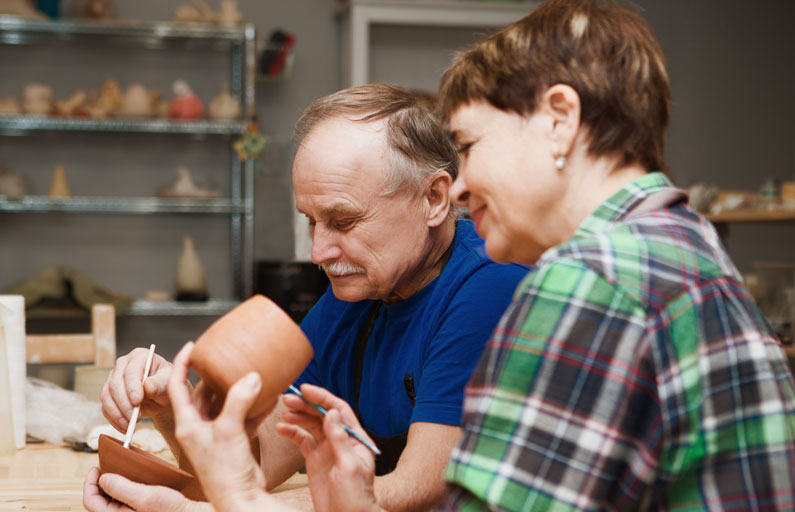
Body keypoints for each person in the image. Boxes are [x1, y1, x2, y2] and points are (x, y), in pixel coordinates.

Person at [162, 0, 795, 510]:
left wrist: (239, 500)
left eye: (469, 144)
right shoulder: (683, 243)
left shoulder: (588, 281)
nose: (461, 185)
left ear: (559, 119)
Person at [83, 84, 528, 512]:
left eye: (344, 220)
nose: (319, 253)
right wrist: (172, 408)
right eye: (313, 222)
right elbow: (257, 465)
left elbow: (416, 490)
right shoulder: (356, 294)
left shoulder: (490, 287)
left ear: (433, 198)